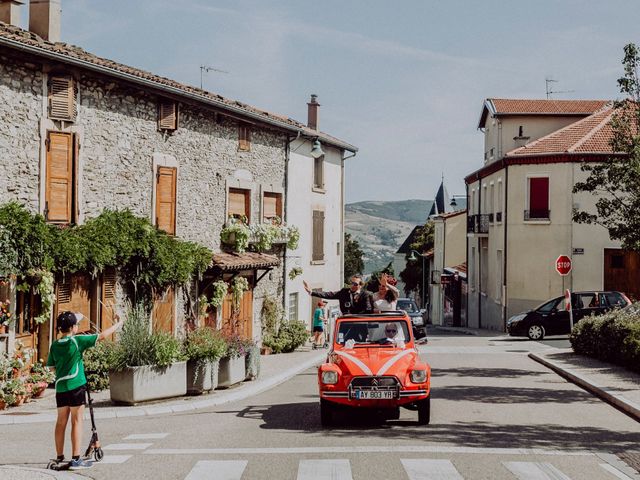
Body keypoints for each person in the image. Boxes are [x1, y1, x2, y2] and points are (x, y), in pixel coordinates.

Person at [47, 311, 124, 470]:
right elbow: (101, 336)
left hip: (61, 388)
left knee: (61, 422)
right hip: (76, 385)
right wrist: (118, 324)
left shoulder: (55, 345)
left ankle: (60, 456)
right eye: (76, 324)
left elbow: (52, 367)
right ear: (73, 327)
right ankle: (76, 459)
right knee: (76, 421)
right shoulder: (77, 341)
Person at [303, 275, 373, 315]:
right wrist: (312, 292)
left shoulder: (365, 294)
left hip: (360, 323)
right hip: (345, 322)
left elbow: (368, 310)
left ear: (361, 285)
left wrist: (353, 316)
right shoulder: (344, 292)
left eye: (355, 284)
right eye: (351, 283)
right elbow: (328, 294)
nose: (352, 285)